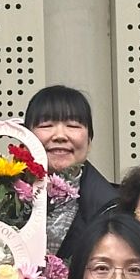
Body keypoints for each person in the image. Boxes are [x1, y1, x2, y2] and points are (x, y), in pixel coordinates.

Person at [23, 84, 118, 260]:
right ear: (25, 138)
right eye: (46, 125)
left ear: (89, 141)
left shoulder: (115, 207)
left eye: (73, 125)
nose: (60, 135)